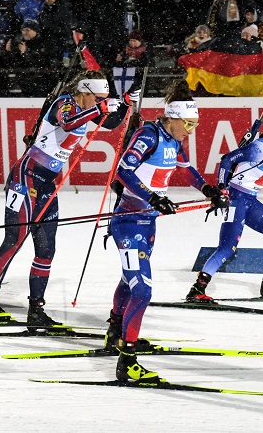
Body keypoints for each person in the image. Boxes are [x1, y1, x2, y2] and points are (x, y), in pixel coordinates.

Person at [0, 71, 131, 328]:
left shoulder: (90, 108)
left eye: (103, 98)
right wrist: (101, 108)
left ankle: (36, 309)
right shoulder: (65, 103)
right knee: (14, 240)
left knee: (46, 249)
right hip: (25, 178)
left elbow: (110, 123)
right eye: (97, 98)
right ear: (83, 92)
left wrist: (125, 103)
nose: (100, 103)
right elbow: (69, 123)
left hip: (47, 184)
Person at [103, 81, 226, 384]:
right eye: (188, 124)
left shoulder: (174, 141)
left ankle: (115, 333)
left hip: (148, 223)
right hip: (129, 221)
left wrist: (208, 189)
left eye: (195, 124)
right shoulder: (149, 135)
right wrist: (152, 197)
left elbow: (185, 170)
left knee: (129, 280)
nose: (191, 129)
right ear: (171, 118)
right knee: (142, 290)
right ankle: (127, 361)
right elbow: (123, 170)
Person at [186, 113, 263, 302]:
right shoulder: (260, 148)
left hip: (250, 201)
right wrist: (222, 188)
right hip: (236, 200)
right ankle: (197, 289)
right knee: (227, 248)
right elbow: (227, 159)